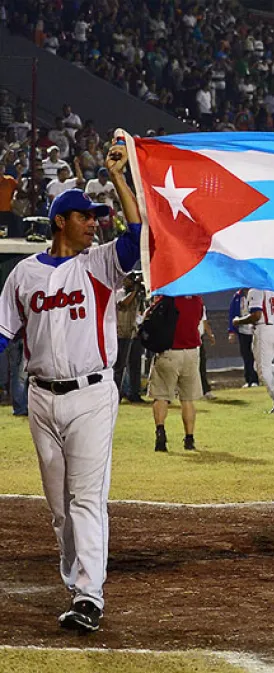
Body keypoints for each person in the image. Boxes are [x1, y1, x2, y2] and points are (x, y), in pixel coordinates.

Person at [0, 136, 141, 633]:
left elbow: (137, 234)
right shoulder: (23, 274)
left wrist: (120, 177)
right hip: (41, 398)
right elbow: (2, 334)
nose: (93, 223)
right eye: (86, 216)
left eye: (96, 218)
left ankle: (89, 595)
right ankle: (75, 581)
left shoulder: (99, 263)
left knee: (86, 498)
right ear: (61, 221)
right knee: (60, 509)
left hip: (92, 395)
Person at [148, 295, 206, 452]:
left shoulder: (166, 299)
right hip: (191, 352)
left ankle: (160, 434)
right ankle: (189, 439)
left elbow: (152, 319)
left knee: (161, 396)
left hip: (170, 351)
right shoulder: (197, 300)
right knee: (187, 399)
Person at [233, 288, 274, 413]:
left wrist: (238, 321)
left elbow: (256, 315)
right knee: (258, 366)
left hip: (264, 330)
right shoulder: (273, 289)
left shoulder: (255, 290)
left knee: (263, 371)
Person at [114, 272, 146, 403]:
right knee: (120, 366)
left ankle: (134, 393)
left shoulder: (138, 295)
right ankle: (117, 394)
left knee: (135, 365)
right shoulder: (119, 292)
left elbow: (141, 311)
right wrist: (134, 292)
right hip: (121, 334)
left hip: (134, 333)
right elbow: (123, 304)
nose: (130, 282)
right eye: (129, 279)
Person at [228, 289, 259, 388]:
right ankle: (248, 379)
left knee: (255, 355)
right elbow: (232, 314)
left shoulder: (256, 293)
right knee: (246, 355)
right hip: (243, 330)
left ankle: (255, 379)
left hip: (255, 330)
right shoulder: (237, 296)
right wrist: (232, 331)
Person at [199, 306, 216, 400]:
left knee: (201, 365)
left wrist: (210, 334)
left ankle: (205, 390)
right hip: (187, 338)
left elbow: (204, 321)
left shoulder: (199, 304)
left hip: (198, 338)